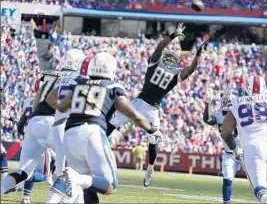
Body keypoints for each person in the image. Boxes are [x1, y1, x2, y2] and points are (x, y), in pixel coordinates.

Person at [109, 23, 208, 187]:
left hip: (148, 107)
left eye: (170, 57)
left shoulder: (169, 69)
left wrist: (182, 42)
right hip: (143, 104)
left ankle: (150, 168)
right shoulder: (163, 66)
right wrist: (193, 50)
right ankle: (99, 143)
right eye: (168, 56)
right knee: (115, 123)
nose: (168, 58)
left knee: (152, 137)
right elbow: (188, 66)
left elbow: (188, 67)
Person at [57, 52, 159, 202]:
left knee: (88, 185)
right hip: (92, 133)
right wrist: (151, 128)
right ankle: (74, 178)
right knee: (111, 184)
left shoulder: (79, 83)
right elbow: (134, 115)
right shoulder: (113, 86)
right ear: (111, 69)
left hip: (69, 134)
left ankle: (74, 183)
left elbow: (61, 107)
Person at [0, 49, 83, 195]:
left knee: (23, 171)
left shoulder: (48, 74)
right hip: (54, 124)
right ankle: (62, 198)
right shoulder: (79, 78)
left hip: (34, 122)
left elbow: (37, 99)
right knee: (71, 167)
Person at [221, 76, 267, 204]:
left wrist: (235, 149)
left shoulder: (237, 102)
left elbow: (225, 132)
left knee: (261, 190)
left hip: (252, 147)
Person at [46, 49, 86, 203]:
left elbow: (49, 98)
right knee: (70, 171)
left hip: (55, 125)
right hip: (66, 128)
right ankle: (59, 201)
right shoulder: (80, 78)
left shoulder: (58, 76)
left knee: (64, 170)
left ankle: (69, 198)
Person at [203, 87, 241, 204]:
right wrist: (207, 104)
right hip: (230, 154)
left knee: (258, 178)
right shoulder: (219, 115)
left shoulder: (240, 113)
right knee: (227, 179)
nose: (226, 105)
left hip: (245, 151)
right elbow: (208, 119)